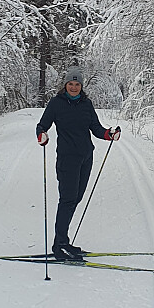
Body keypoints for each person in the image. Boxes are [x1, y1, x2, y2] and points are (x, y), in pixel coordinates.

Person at [35, 67, 121, 261]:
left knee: (76, 198)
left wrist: (109, 134)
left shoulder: (86, 104)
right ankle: (60, 245)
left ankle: (63, 242)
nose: (74, 87)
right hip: (67, 159)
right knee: (67, 199)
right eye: (70, 84)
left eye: (77, 84)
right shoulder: (56, 104)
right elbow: (42, 125)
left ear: (81, 86)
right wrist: (41, 135)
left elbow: (96, 128)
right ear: (65, 85)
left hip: (86, 157)